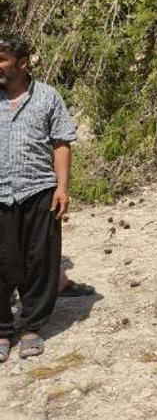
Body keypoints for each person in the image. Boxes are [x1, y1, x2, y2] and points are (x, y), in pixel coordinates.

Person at [0, 34, 77, 360]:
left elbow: (61, 143)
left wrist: (62, 188)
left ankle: (31, 326)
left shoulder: (48, 97)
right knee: (3, 263)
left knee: (40, 261)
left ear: (22, 62)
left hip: (39, 190)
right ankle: (3, 331)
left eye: (2, 58)